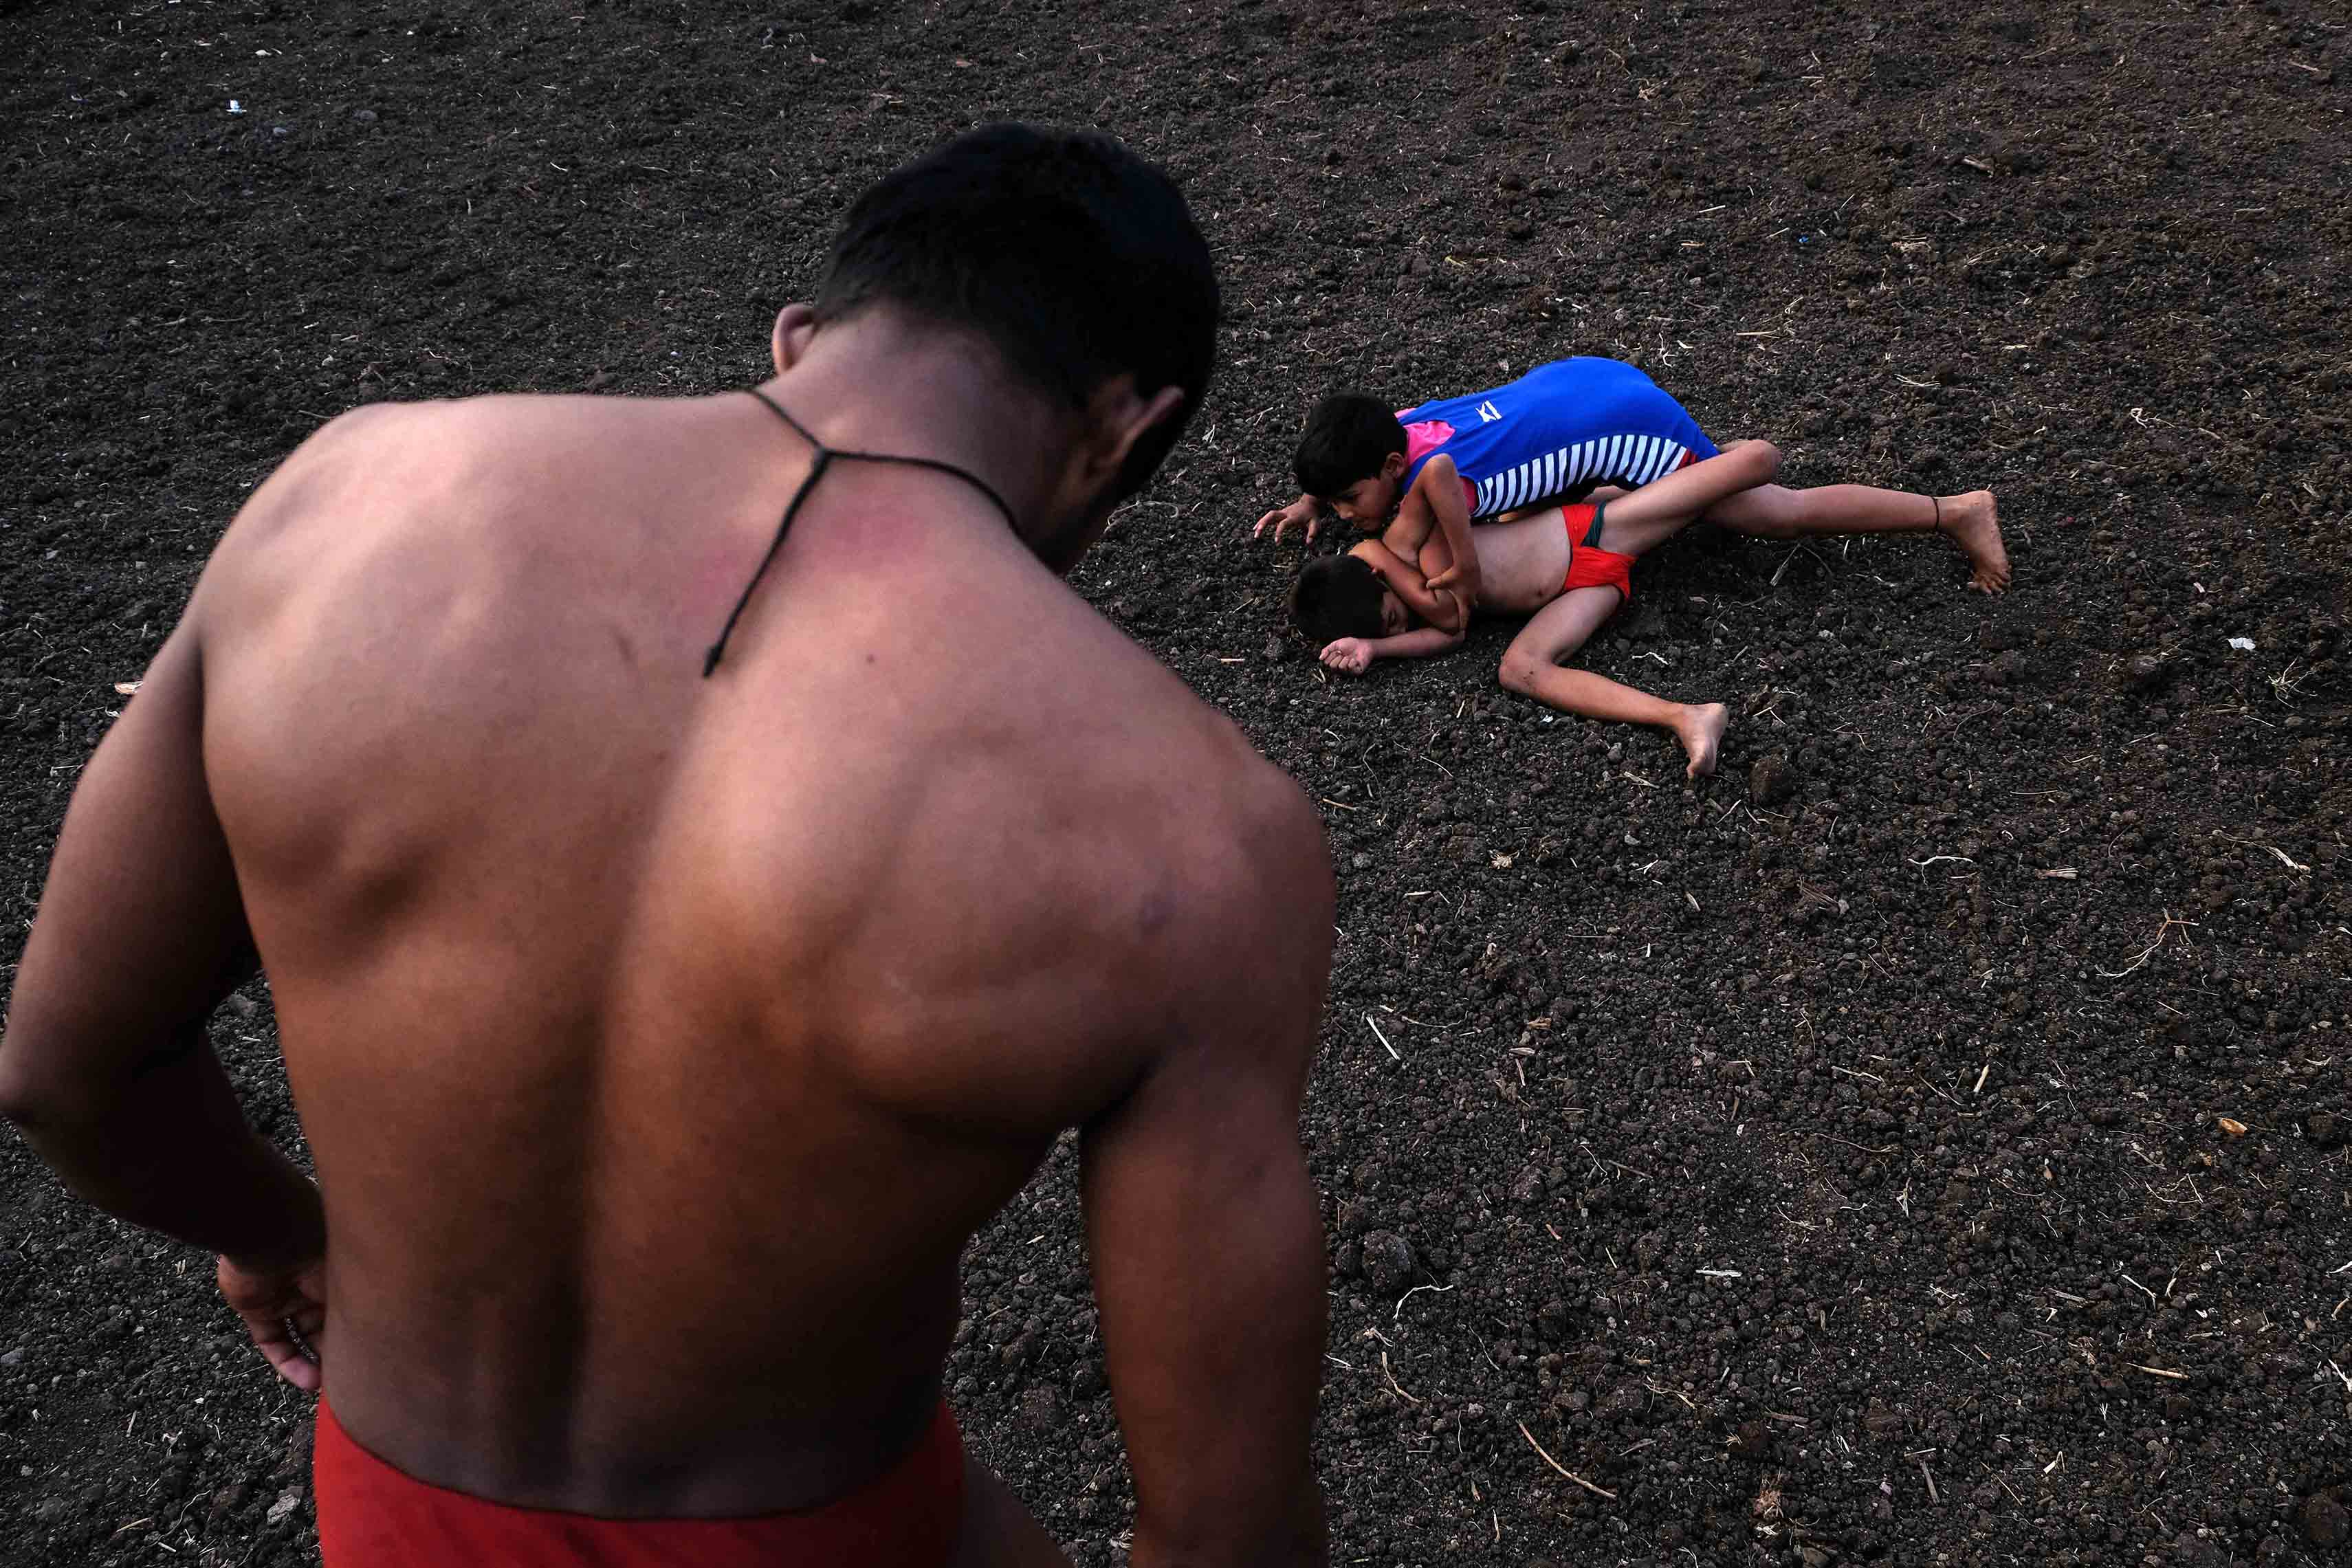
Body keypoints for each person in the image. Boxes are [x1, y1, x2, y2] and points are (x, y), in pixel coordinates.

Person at [0, 124, 1333, 1568]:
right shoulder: (1200, 837)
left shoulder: (336, 509)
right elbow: (1221, 1527)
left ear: (801, 333)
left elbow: (68, 1074)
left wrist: (277, 1227)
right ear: (1125, 431)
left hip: (395, 1508)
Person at [1254, 355, 2010, 595]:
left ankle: (1954, 511)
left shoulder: (1446, 481)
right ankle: (1632, 488)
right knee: (1577, 495)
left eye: (1351, 497)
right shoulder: (1406, 431)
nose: (1353, 513)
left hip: (1627, 430)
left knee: (1771, 512)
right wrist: (1312, 498)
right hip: (1586, 381)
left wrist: (1460, 564)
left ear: (1393, 470)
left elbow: (1474, 553)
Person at [1291, 439, 1786, 777]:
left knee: (1731, 479)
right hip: (1584, 588)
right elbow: (1451, 635)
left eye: (1393, 614)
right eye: (1393, 626)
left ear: (1376, 576)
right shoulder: (1416, 602)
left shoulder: (1409, 544)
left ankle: (1736, 453)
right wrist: (1376, 647)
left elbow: (1435, 475)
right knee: (1517, 669)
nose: (1404, 617)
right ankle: (1685, 717)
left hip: (1591, 533)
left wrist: (1352, 536)